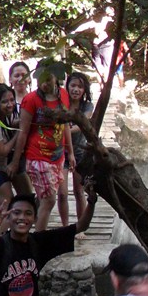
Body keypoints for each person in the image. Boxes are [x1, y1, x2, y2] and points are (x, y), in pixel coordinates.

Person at [8, 61, 76, 230]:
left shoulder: (63, 95)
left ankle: (33, 233)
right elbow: (23, 132)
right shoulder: (31, 100)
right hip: (38, 156)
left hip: (57, 156)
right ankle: (38, 240)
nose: (44, 84)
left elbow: (66, 125)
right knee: (49, 200)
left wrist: (70, 152)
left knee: (45, 199)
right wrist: (15, 162)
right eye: (41, 79)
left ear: (56, 78)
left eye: (48, 79)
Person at [65, 71, 95, 219]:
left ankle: (81, 224)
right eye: (73, 85)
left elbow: (83, 122)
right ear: (67, 87)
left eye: (80, 87)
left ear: (84, 90)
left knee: (79, 191)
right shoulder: (62, 105)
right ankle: (65, 226)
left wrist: (65, 130)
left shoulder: (87, 106)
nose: (76, 89)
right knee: (61, 194)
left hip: (80, 151)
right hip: (62, 151)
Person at [7, 61, 33, 195]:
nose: (20, 79)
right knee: (24, 193)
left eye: (24, 75)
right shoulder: (6, 101)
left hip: (35, 150)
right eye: (16, 75)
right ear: (10, 79)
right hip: (13, 152)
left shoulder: (35, 99)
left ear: (29, 78)